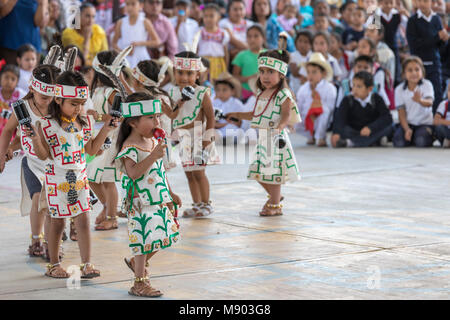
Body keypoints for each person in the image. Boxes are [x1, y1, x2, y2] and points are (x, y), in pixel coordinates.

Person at [22, 70, 119, 278]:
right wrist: (35, 139)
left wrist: (107, 129)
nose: (79, 108)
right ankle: (54, 264)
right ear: (58, 99)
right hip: (56, 179)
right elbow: (44, 155)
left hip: (80, 178)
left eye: (81, 103)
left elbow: (91, 150)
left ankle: (87, 264)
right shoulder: (46, 125)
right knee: (57, 222)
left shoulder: (83, 123)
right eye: (74, 103)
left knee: (83, 220)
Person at [116, 91, 181, 297]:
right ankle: (139, 282)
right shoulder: (130, 147)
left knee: (166, 236)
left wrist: (170, 193)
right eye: (151, 118)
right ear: (133, 123)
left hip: (158, 199)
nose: (157, 121)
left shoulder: (153, 142)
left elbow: (160, 170)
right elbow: (134, 173)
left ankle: (137, 264)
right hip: (140, 202)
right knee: (143, 241)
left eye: (157, 117)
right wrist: (153, 156)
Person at [225, 49, 301, 216]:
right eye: (262, 72)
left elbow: (286, 114)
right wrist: (237, 114)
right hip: (263, 137)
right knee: (259, 173)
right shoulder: (261, 93)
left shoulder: (283, 94)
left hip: (275, 138)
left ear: (281, 74)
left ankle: (275, 205)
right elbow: (256, 114)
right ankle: (276, 197)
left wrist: (280, 127)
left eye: (271, 72)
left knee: (273, 173)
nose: (265, 76)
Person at [0, 64, 59, 260]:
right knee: (38, 200)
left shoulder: (58, 106)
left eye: (51, 97)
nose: (48, 101)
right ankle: (36, 240)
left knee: (54, 204)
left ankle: (53, 244)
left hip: (55, 162)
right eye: (44, 97)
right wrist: (3, 154)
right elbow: (9, 132)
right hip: (32, 162)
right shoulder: (22, 107)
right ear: (32, 89)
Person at [165, 51, 220, 217]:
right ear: (174, 72)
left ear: (198, 74)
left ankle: (206, 203)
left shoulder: (202, 93)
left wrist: (207, 138)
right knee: (189, 173)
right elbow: (172, 115)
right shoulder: (173, 92)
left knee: (199, 173)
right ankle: (196, 204)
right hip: (184, 139)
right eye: (180, 72)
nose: (184, 77)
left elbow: (210, 116)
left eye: (189, 73)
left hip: (199, 137)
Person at [88, 49, 131, 230]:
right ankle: (107, 207)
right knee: (91, 178)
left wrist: (100, 117)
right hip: (99, 139)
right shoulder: (98, 90)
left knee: (107, 179)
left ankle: (112, 217)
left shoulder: (112, 92)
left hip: (112, 140)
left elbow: (122, 114)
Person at [130, 59, 177, 170]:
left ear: (139, 82)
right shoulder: (158, 96)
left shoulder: (157, 99)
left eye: (133, 80)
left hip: (156, 144)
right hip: (153, 143)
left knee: (157, 178)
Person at [331, 71, 393, 148]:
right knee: (344, 131)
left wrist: (371, 128)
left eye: (359, 86)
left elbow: (387, 117)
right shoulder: (348, 99)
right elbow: (340, 118)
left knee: (389, 127)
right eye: (353, 85)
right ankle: (373, 141)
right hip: (355, 130)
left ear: (369, 89)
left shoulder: (376, 99)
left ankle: (351, 143)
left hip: (371, 130)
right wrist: (336, 133)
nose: (354, 89)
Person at [406, 0, 449, 112]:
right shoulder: (412, 21)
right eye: (419, 1)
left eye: (425, 1)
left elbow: (439, 46)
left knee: (436, 93)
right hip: (417, 65)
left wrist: (444, 39)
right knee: (418, 94)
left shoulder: (436, 19)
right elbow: (414, 45)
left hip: (434, 63)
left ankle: (436, 121)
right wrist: (437, 37)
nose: (422, 4)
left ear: (431, 2)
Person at [296, 52, 337, 147]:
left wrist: (316, 111)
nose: (310, 75)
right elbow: (299, 106)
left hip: (322, 119)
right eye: (308, 72)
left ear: (323, 73)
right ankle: (311, 135)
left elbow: (330, 109)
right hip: (307, 118)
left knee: (325, 111)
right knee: (294, 118)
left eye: (314, 72)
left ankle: (320, 137)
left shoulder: (330, 88)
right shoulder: (303, 89)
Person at [393, 56, 435, 147]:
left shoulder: (427, 84)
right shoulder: (399, 89)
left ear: (422, 72)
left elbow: (429, 103)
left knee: (421, 141)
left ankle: (421, 136)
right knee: (398, 143)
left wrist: (420, 100)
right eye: (410, 70)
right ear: (404, 73)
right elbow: (401, 112)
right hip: (408, 124)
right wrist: (407, 129)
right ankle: (411, 136)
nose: (414, 73)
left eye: (417, 70)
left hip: (424, 123)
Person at [112, 0, 161, 68]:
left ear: (141, 5)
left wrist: (139, 43)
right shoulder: (120, 22)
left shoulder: (145, 21)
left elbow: (157, 42)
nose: (130, 7)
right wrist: (124, 52)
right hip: (125, 59)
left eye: (133, 4)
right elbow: (114, 43)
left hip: (141, 58)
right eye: (127, 4)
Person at [0, 0, 48, 64]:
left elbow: (40, 24)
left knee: (30, 73)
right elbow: (2, 12)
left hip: (32, 47)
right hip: (9, 46)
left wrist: (42, 4)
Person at [232, 24, 266, 101]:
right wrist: (251, 78)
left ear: (263, 38)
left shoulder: (269, 55)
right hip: (245, 94)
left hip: (265, 93)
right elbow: (235, 77)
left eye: (256, 36)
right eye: (249, 36)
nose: (252, 39)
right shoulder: (241, 55)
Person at [196, 3, 229, 81]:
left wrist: (226, 68)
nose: (208, 19)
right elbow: (196, 49)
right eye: (205, 16)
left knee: (218, 84)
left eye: (211, 16)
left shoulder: (223, 33)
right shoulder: (199, 32)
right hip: (203, 63)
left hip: (218, 63)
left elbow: (226, 52)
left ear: (218, 17)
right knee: (203, 83)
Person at [212, 72, 246, 144]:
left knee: (235, 130)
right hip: (219, 129)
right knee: (211, 131)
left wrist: (229, 123)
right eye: (218, 90)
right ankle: (222, 139)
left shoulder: (237, 104)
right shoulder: (214, 103)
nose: (220, 93)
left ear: (232, 91)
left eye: (224, 90)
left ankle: (227, 139)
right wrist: (222, 125)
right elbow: (213, 122)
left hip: (233, 129)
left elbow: (240, 122)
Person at [0, 64, 26, 136]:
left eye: (13, 79)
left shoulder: (21, 96)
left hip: (13, 131)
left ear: (17, 82)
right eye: (6, 77)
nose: (9, 81)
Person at [289, 30, 312, 96]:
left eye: (306, 42)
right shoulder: (293, 55)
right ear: (296, 42)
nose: (302, 44)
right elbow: (294, 73)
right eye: (300, 41)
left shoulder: (313, 55)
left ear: (311, 44)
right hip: (295, 86)